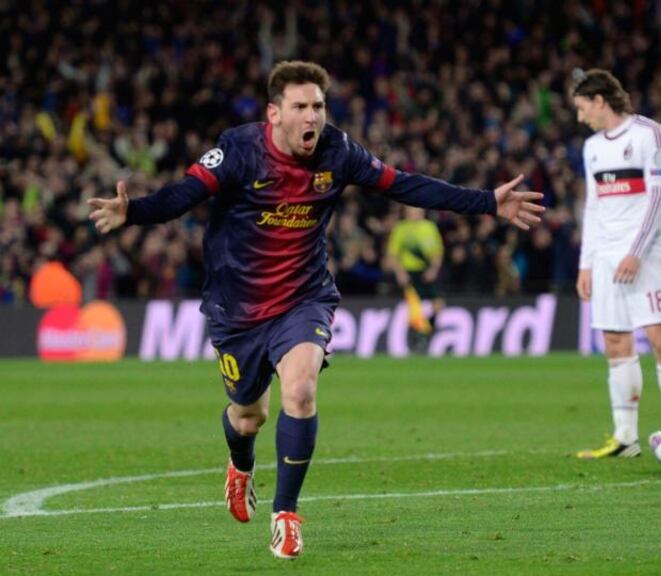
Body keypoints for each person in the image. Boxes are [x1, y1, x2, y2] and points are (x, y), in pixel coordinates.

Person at [87, 61, 545, 558]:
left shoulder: (338, 151)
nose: (312, 117)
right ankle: (240, 464)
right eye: (301, 107)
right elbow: (184, 195)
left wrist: (485, 202)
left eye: (318, 107)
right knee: (247, 416)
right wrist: (133, 211)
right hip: (237, 307)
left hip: (304, 298)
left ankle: (286, 515)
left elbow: (403, 184)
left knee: (301, 391)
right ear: (274, 113)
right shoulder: (240, 149)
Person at [571, 69, 661, 459]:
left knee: (660, 338)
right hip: (606, 257)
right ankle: (625, 437)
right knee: (615, 342)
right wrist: (586, 263)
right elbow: (593, 205)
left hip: (645, 253)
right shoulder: (592, 148)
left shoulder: (649, 134)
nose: (580, 118)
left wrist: (635, 252)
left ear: (599, 100)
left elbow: (658, 199)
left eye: (581, 108)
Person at [386, 205, 444, 352]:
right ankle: (416, 337)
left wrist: (433, 270)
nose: (414, 213)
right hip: (409, 272)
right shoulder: (401, 228)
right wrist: (400, 273)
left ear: (423, 212)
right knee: (413, 308)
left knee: (438, 305)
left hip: (426, 272)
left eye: (417, 210)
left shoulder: (429, 227)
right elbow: (393, 254)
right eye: (411, 210)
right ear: (406, 212)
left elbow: (437, 252)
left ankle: (426, 331)